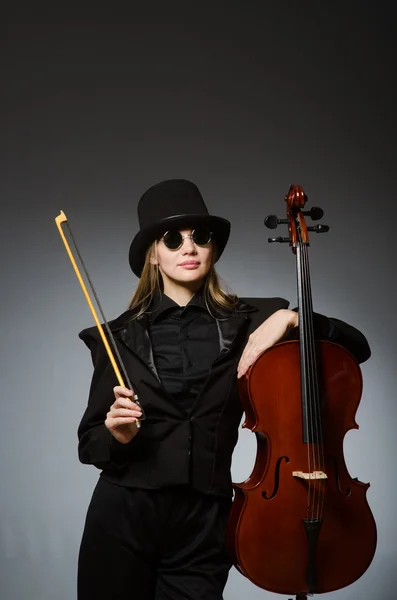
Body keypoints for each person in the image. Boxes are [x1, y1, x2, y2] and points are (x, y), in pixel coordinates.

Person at [76, 179, 371, 600]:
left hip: (206, 522)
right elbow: (90, 445)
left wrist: (293, 319)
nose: (189, 248)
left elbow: (357, 347)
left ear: (213, 248)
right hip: (123, 516)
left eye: (201, 236)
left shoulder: (258, 318)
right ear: (153, 256)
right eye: (172, 239)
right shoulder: (115, 337)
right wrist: (117, 435)